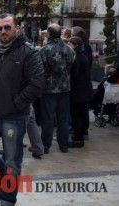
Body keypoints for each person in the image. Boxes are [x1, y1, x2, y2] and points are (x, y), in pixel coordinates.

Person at [0, 14, 44, 206]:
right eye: (0, 28)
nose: (3, 31)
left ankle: (8, 197)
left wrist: (17, 103)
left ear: (17, 28)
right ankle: (5, 185)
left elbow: (37, 84)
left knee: (13, 159)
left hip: (14, 115)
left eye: (7, 27)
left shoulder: (28, 52)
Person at [39, 24, 75, 154]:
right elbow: (70, 67)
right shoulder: (69, 50)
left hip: (48, 90)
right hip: (64, 89)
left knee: (48, 119)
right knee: (63, 118)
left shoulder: (44, 50)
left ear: (49, 34)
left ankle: (46, 145)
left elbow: (40, 70)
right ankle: (63, 145)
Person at [68, 36, 93, 148]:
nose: (69, 46)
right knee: (82, 114)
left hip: (77, 92)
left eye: (70, 44)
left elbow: (74, 74)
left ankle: (78, 139)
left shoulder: (76, 56)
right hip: (84, 91)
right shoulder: (83, 55)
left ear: (75, 45)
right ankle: (80, 137)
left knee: (76, 116)